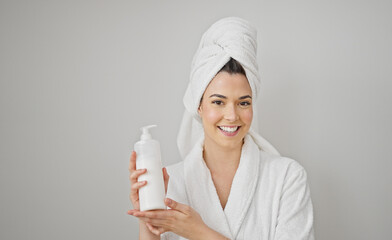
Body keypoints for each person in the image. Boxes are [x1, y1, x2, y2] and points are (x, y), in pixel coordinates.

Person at [127, 17, 315, 240]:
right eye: (218, 102)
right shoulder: (172, 182)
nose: (232, 115)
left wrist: (198, 232)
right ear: (198, 105)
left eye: (243, 102)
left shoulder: (286, 178)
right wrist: (147, 217)